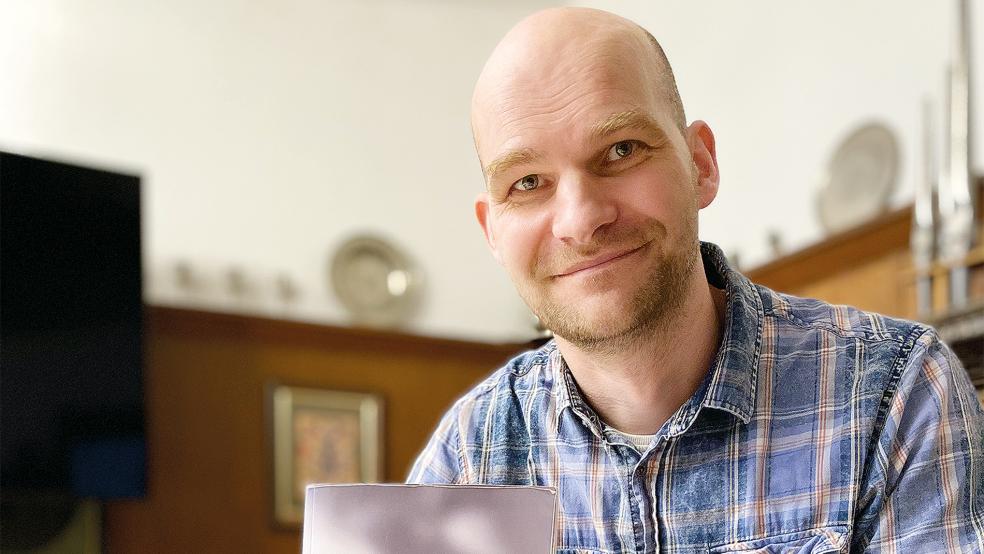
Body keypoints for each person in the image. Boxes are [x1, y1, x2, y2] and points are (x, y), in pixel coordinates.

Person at [408, 7, 984, 552]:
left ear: (700, 166)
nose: (581, 220)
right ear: (492, 231)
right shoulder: (469, 454)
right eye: (528, 183)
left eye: (620, 150)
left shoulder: (893, 396)